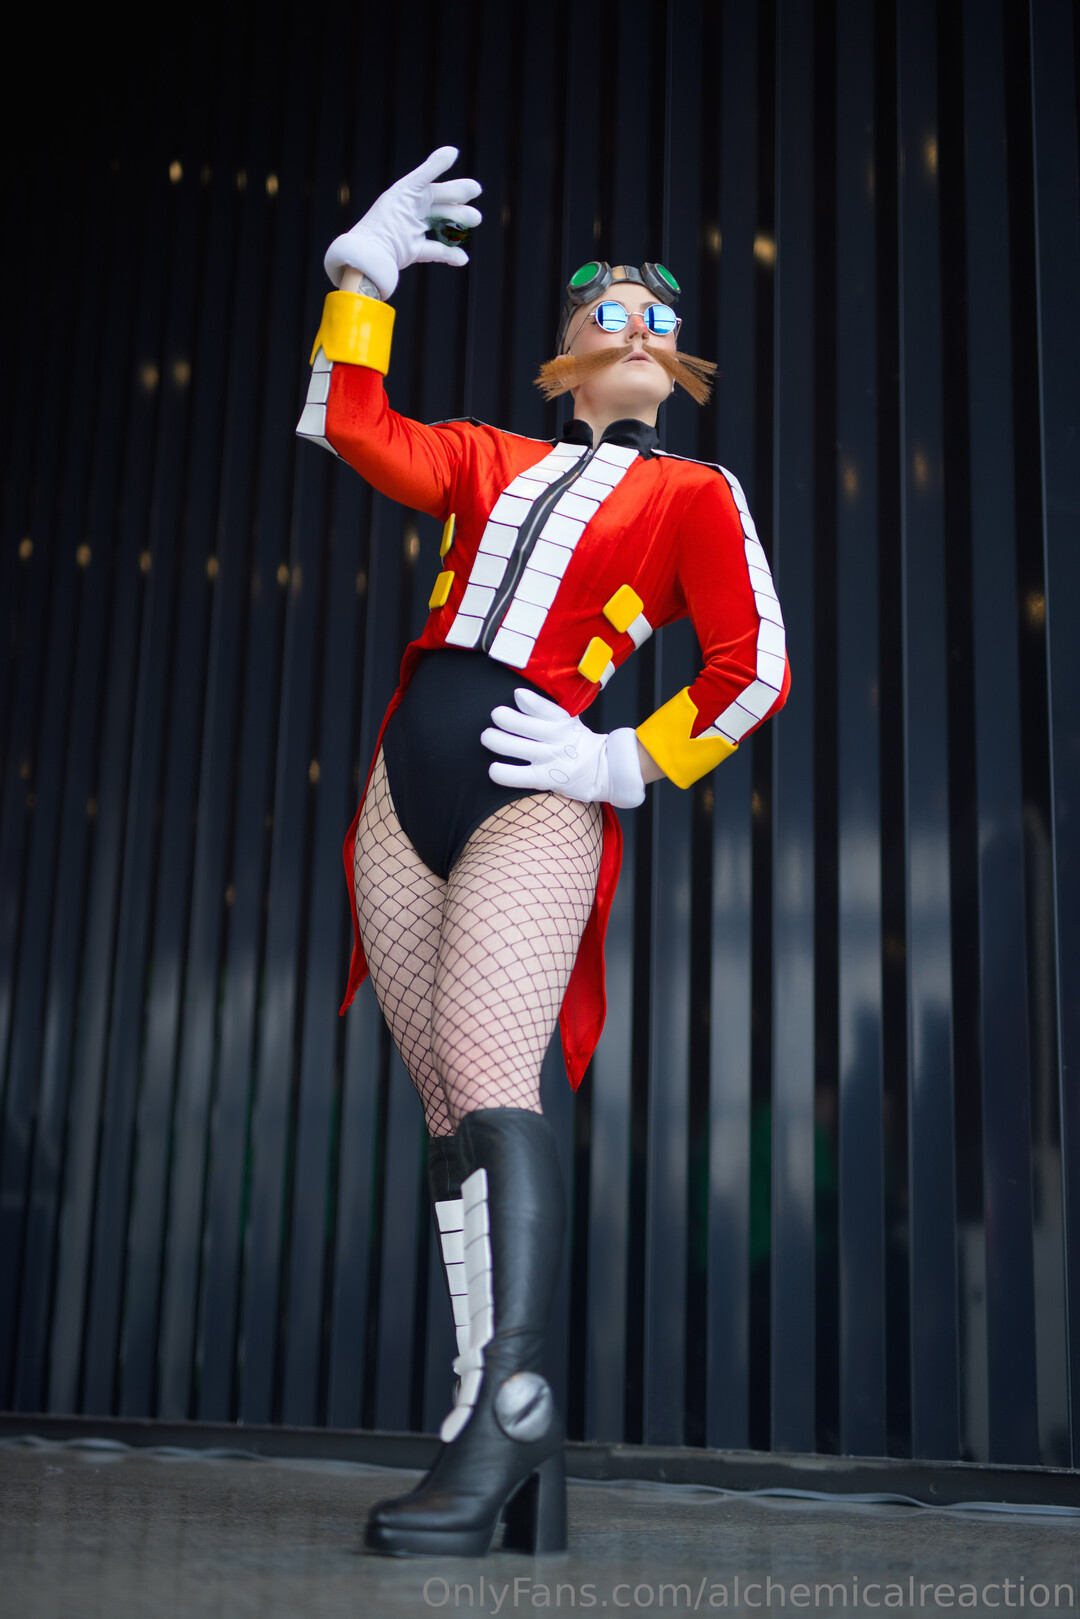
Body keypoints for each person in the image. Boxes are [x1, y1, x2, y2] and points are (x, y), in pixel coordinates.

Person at [296, 147, 789, 1557]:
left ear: (680, 362)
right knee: (447, 1102)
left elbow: (756, 670)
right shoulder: (486, 457)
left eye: (659, 318)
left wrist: (620, 761)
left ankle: (512, 1407)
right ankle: (487, 1416)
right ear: (564, 354)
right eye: (606, 313)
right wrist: (360, 278)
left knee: (490, 1068)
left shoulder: (697, 493)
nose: (637, 328)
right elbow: (351, 424)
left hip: (540, 782)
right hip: (405, 777)